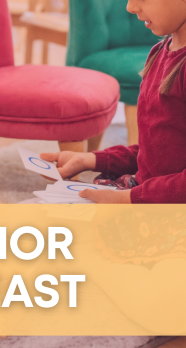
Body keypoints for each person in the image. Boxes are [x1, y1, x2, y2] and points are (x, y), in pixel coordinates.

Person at [40, 0, 186, 204]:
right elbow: (158, 155)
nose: (130, 7)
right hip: (151, 196)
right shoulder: (159, 52)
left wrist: (126, 200)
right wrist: (90, 160)